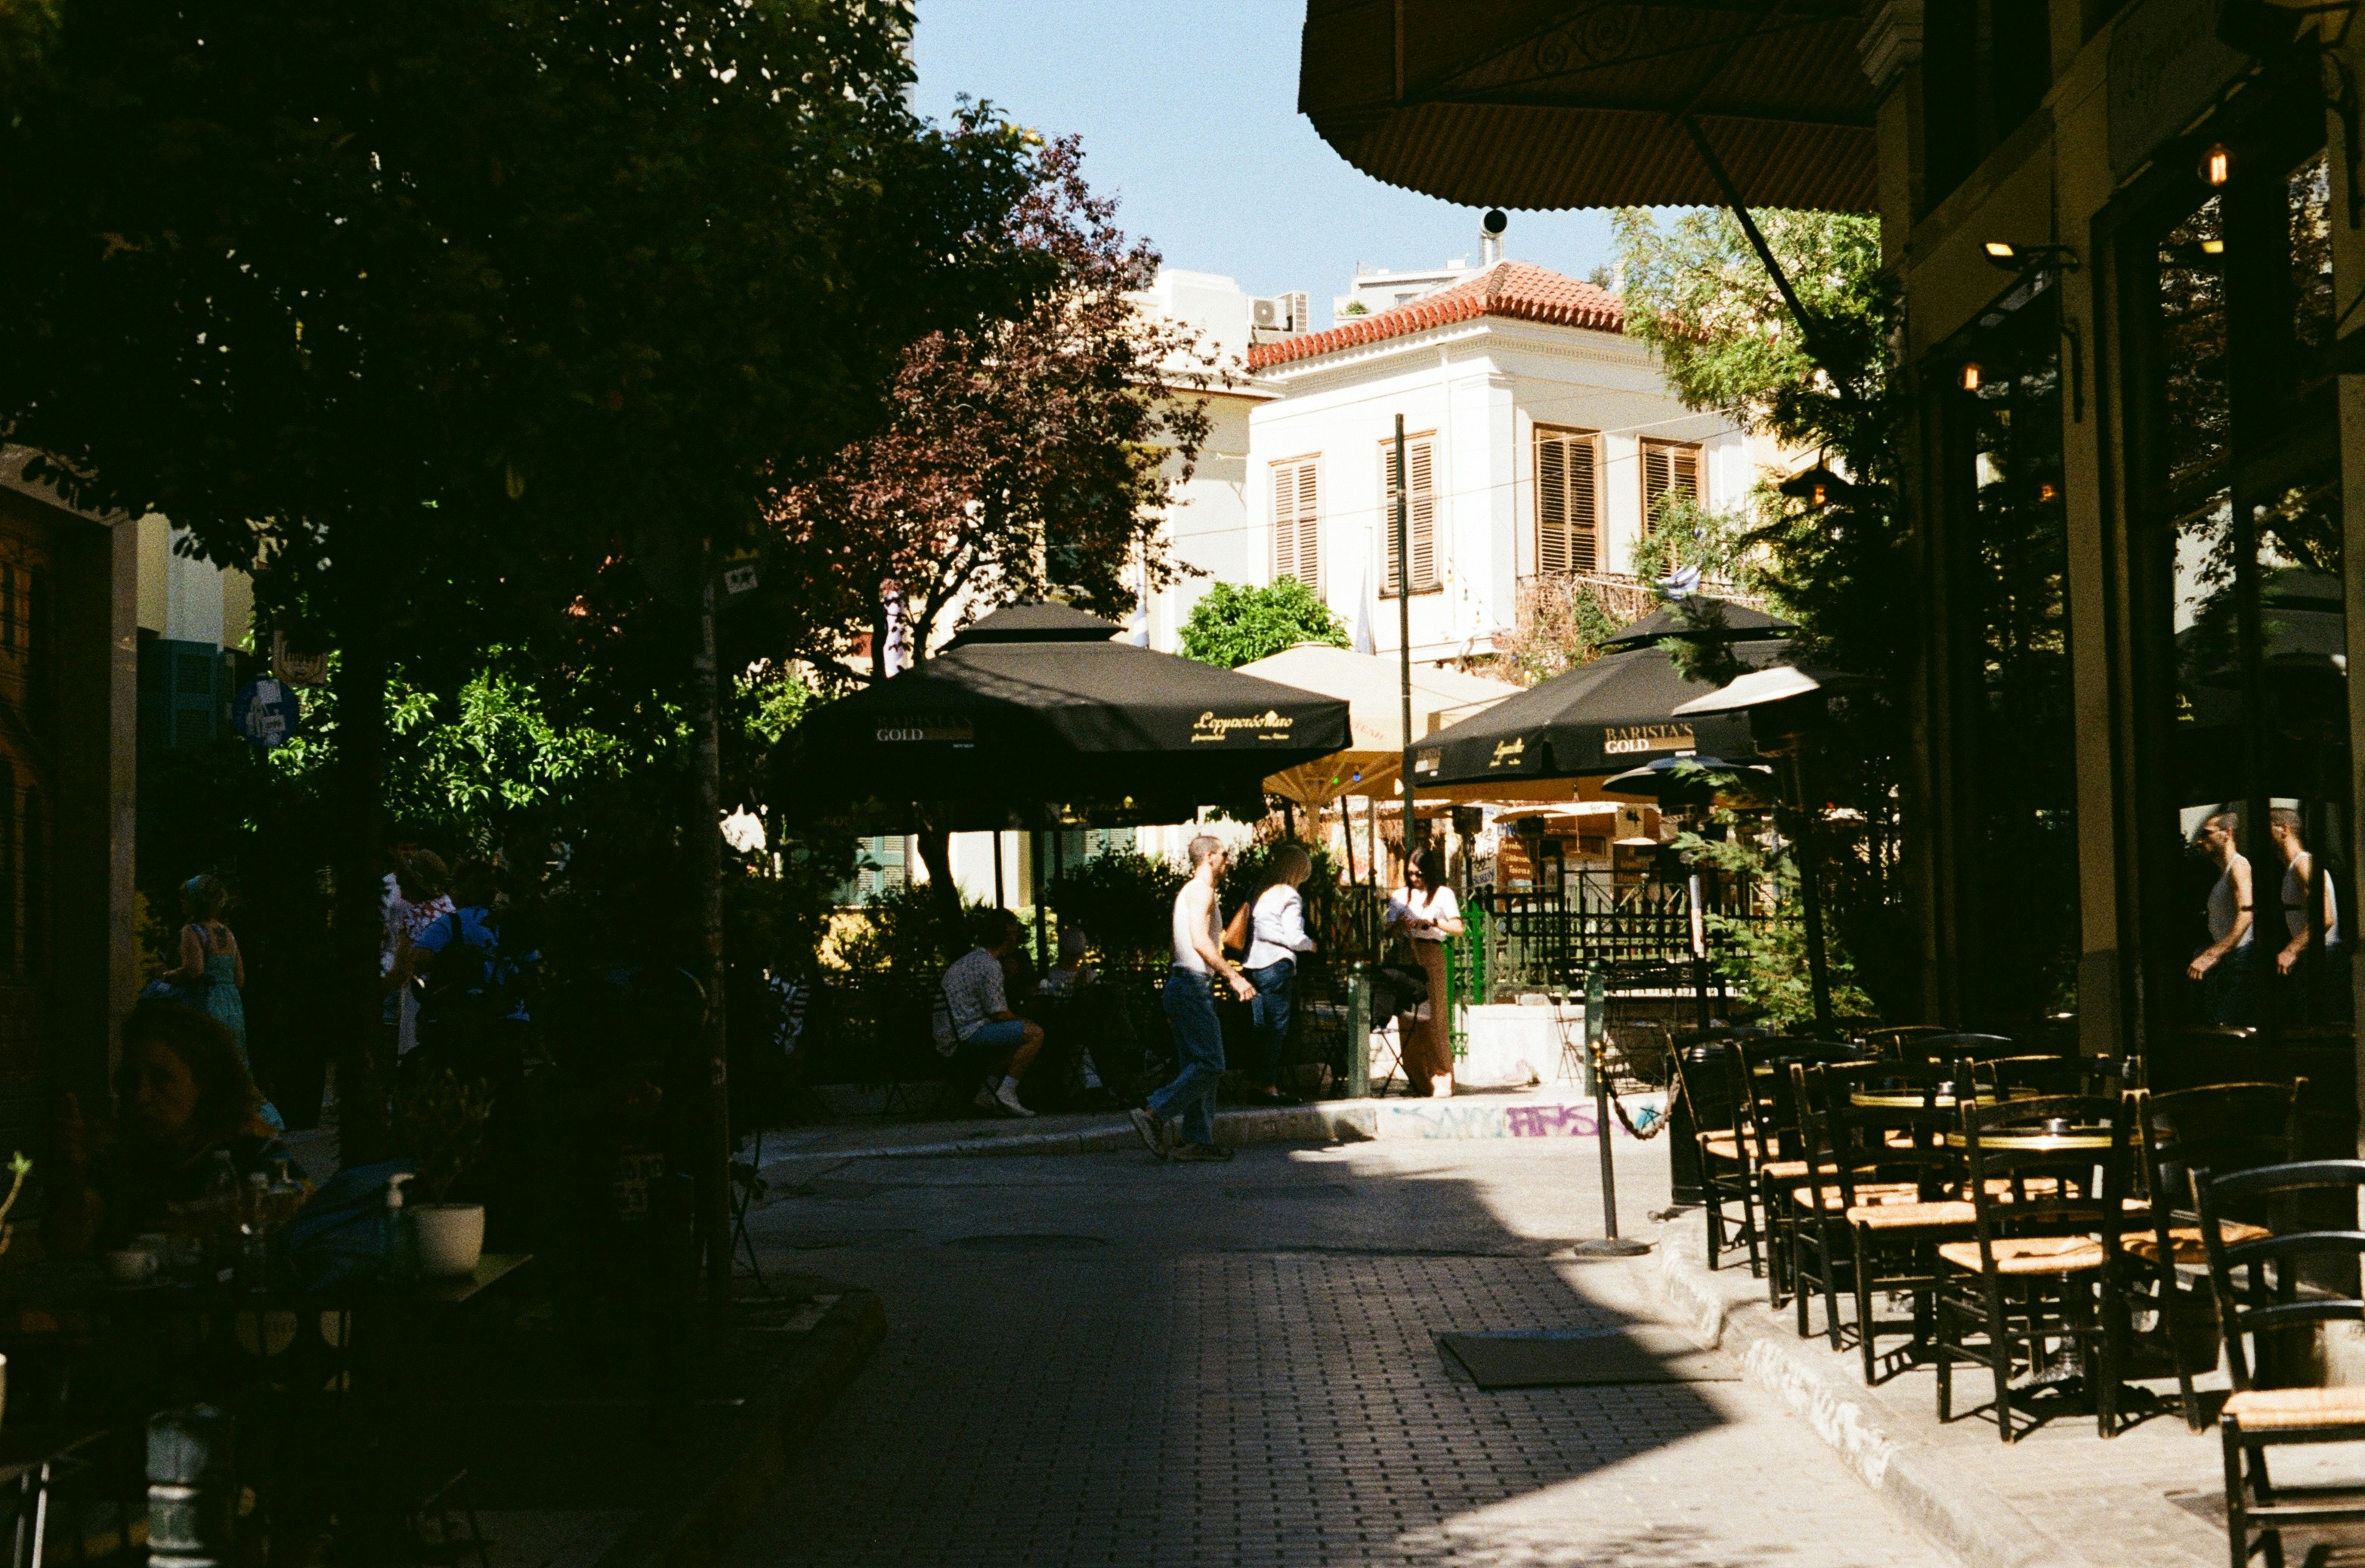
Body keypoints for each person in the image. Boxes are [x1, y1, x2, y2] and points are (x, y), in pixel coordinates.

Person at [48, 1000, 291, 1257]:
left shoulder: (250, 1147)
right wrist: (74, 1171)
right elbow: (67, 1246)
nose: (141, 1096)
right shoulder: (117, 1156)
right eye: (132, 1080)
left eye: (161, 1080)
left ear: (203, 1085)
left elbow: (304, 1219)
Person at [1132, 835, 1255, 1162]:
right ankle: (1154, 1112)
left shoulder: (1188, 893)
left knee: (1197, 1065)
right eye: (1225, 856)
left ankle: (1198, 1140)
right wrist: (1233, 976)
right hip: (1192, 986)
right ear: (1210, 857)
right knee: (1212, 1063)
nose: (1228, 861)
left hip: (1182, 984)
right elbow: (1201, 942)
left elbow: (1177, 946)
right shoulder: (1202, 891)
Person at [160, 874, 282, 1131]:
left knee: (205, 1061)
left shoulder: (192, 931)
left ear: (193, 902)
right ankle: (261, 1119)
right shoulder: (228, 933)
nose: (182, 905)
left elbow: (194, 970)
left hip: (207, 1002)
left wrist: (167, 975)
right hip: (232, 1005)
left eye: (184, 900)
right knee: (236, 1062)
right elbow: (240, 978)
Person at [939, 910, 1042, 1118]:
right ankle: (1007, 1092)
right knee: (1034, 1033)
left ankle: (987, 1093)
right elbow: (999, 1014)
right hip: (967, 1032)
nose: (1015, 939)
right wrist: (1024, 1020)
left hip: (951, 1030)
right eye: (1012, 933)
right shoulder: (990, 965)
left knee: (1015, 1037)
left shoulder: (971, 960)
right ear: (1003, 937)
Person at [1241, 843, 1316, 1107]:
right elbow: (1295, 938)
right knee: (1277, 1029)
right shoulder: (1290, 896)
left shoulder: (1258, 890)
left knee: (1260, 1027)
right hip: (1278, 963)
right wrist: (1310, 944)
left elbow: (1258, 929)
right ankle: (1269, 1086)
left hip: (1253, 964)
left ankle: (1254, 1082)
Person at [1388, 846, 1465, 1098]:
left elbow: (1458, 928)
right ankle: (1418, 1078)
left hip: (1430, 952)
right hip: (1406, 953)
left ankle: (1442, 1076)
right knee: (1408, 1017)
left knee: (1434, 1015)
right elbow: (1385, 930)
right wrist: (1399, 924)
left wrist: (1432, 922)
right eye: (1410, 873)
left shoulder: (1443, 894)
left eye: (1419, 873)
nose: (1414, 879)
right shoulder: (1400, 896)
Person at [2187, 811, 2254, 1025]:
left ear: (2227, 833)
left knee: (2227, 1026)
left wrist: (2212, 954)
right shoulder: (2224, 873)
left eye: (2206, 834)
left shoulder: (2239, 866)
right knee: (2219, 1025)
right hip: (2230, 961)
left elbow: (2246, 914)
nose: (2199, 840)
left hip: (2239, 961)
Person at [384, 850, 453, 1057]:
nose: (398, 878)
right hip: (446, 995)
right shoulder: (447, 906)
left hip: (419, 997)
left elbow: (401, 971)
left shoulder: (415, 915)